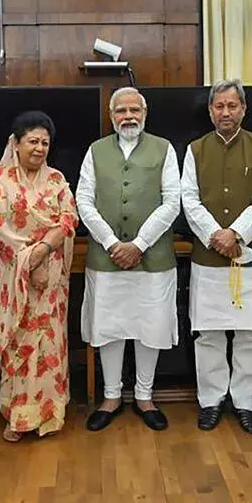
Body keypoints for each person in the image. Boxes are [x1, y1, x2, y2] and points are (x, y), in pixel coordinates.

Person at [77, 87, 180, 432]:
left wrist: (138, 243)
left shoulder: (164, 149)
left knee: (149, 326)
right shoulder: (95, 151)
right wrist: (111, 243)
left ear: (146, 112)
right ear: (111, 115)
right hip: (106, 258)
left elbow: (172, 202)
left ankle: (144, 396)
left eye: (134, 109)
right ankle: (110, 396)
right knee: (109, 326)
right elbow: (84, 202)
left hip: (152, 257)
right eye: (121, 111)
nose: (128, 116)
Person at [182, 78, 252, 434]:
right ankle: (210, 401)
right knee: (209, 335)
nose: (225, 112)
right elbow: (188, 198)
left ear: (243, 109)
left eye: (232, 106)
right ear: (210, 110)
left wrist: (235, 234)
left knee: (251, 336)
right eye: (219, 106)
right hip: (208, 258)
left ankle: (246, 403)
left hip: (249, 256)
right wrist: (215, 235)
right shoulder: (195, 149)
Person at [0, 111, 78, 442]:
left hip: (52, 279)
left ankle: (50, 413)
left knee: (50, 342)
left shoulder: (56, 180)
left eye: (45, 143)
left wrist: (41, 254)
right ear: (16, 143)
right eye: (33, 141)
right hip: (13, 281)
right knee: (19, 345)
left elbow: (68, 218)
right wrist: (29, 263)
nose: (39, 148)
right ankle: (18, 415)